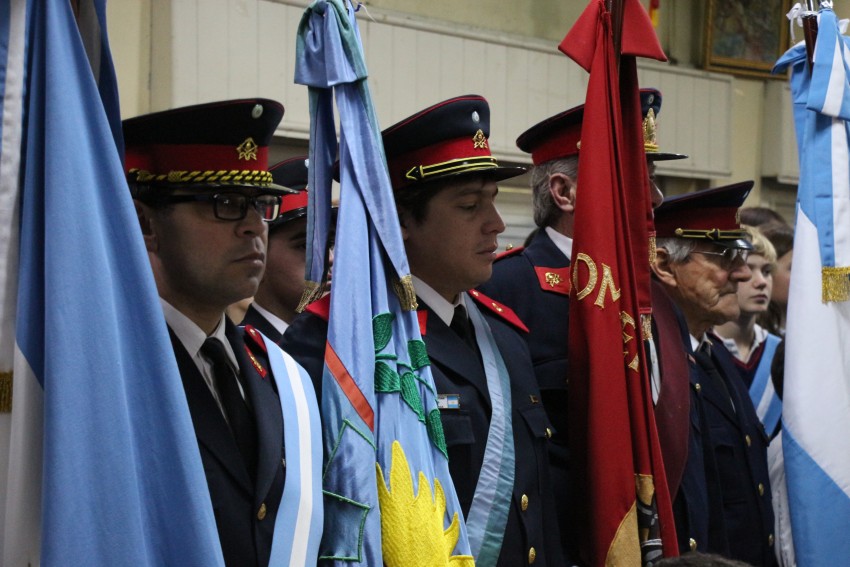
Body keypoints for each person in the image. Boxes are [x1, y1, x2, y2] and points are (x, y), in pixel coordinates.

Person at [282, 95, 564, 566]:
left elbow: (538, 510)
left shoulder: (506, 335)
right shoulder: (341, 343)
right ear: (402, 221)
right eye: (470, 206)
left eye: (492, 202)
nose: (495, 225)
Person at [477, 87, 692, 559]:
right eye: (636, 177)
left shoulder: (654, 298)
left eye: (653, 180)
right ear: (564, 191)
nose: (655, 199)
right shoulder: (507, 289)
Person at [124, 99, 322, 566]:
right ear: (146, 224)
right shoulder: (115, 376)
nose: (254, 227)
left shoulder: (280, 375)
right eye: (227, 204)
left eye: (260, 205)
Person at [652, 183, 777, 567]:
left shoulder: (713, 354)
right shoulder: (655, 365)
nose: (741, 275)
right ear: (663, 265)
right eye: (724, 256)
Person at [711, 226, 792, 566]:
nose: (760, 281)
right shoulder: (704, 354)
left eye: (767, 271)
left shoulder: (788, 355)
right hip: (725, 529)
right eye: (749, 269)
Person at [242, 156, 335, 342]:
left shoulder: (342, 353)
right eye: (304, 246)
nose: (330, 258)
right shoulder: (241, 355)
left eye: (331, 243)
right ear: (260, 256)